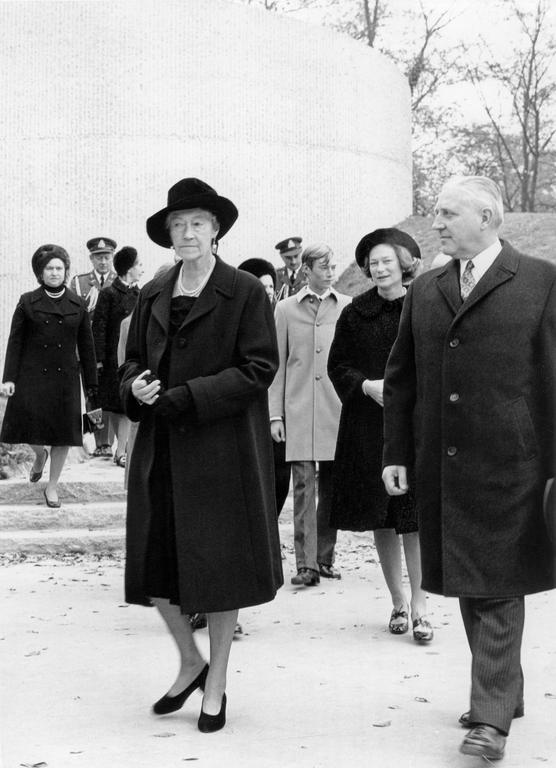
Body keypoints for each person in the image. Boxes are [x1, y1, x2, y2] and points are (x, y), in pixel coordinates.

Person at [382, 176, 556, 761]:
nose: (436, 223)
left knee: (499, 583)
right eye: (435, 212)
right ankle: (505, 691)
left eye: (448, 213)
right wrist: (396, 455)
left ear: (487, 217)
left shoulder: (541, 281)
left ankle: (491, 719)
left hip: (514, 466)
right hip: (442, 466)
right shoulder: (425, 288)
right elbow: (402, 379)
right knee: (467, 577)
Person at [119, 177, 282, 734]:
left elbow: (259, 368)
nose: (187, 233)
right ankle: (190, 661)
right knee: (153, 565)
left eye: (198, 224)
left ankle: (216, 682)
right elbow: (132, 359)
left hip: (221, 451)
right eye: (178, 226)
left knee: (220, 570)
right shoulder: (153, 292)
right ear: (169, 236)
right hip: (162, 447)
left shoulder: (245, 292)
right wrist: (133, 387)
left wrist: (189, 397)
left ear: (216, 231)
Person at [328, 228, 432, 642]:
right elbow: (338, 366)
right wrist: (365, 386)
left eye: (388, 260)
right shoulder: (355, 312)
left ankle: (423, 606)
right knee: (383, 516)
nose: (380, 267)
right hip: (369, 425)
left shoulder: (423, 306)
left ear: (404, 263)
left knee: (414, 517)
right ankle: (398, 602)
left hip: (414, 425)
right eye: (373, 262)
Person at [269, 243, 350, 586]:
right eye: (324, 266)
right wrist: (275, 415)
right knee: (303, 486)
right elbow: (276, 367)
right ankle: (306, 565)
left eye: (333, 266)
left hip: (336, 409)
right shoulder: (285, 310)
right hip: (298, 409)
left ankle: (324, 557)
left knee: (332, 487)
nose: (331, 271)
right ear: (307, 270)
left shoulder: (347, 307)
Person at [1, 244, 97, 507]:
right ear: (40, 273)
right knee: (30, 429)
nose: (54, 273)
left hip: (65, 378)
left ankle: (52, 487)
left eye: (59, 268)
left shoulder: (77, 304)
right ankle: (39, 455)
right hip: (32, 376)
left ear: (65, 271)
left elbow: (87, 348)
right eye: (49, 269)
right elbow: (15, 342)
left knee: (63, 435)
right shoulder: (27, 301)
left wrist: (91, 385)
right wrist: (8, 378)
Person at [92, 246, 143, 467]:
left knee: (124, 407)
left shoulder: (140, 294)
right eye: (139, 265)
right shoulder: (109, 294)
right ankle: (105, 445)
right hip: (110, 360)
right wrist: (99, 359)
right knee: (108, 406)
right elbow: (99, 328)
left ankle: (121, 451)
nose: (141, 269)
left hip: (128, 360)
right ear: (129, 268)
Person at [70, 237, 118, 457]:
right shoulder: (79, 283)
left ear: (112, 258)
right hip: (86, 350)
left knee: (111, 395)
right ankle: (100, 442)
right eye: (99, 257)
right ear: (91, 259)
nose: (103, 262)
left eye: (107, 257)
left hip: (112, 351)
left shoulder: (119, 282)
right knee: (92, 395)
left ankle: (111, 442)